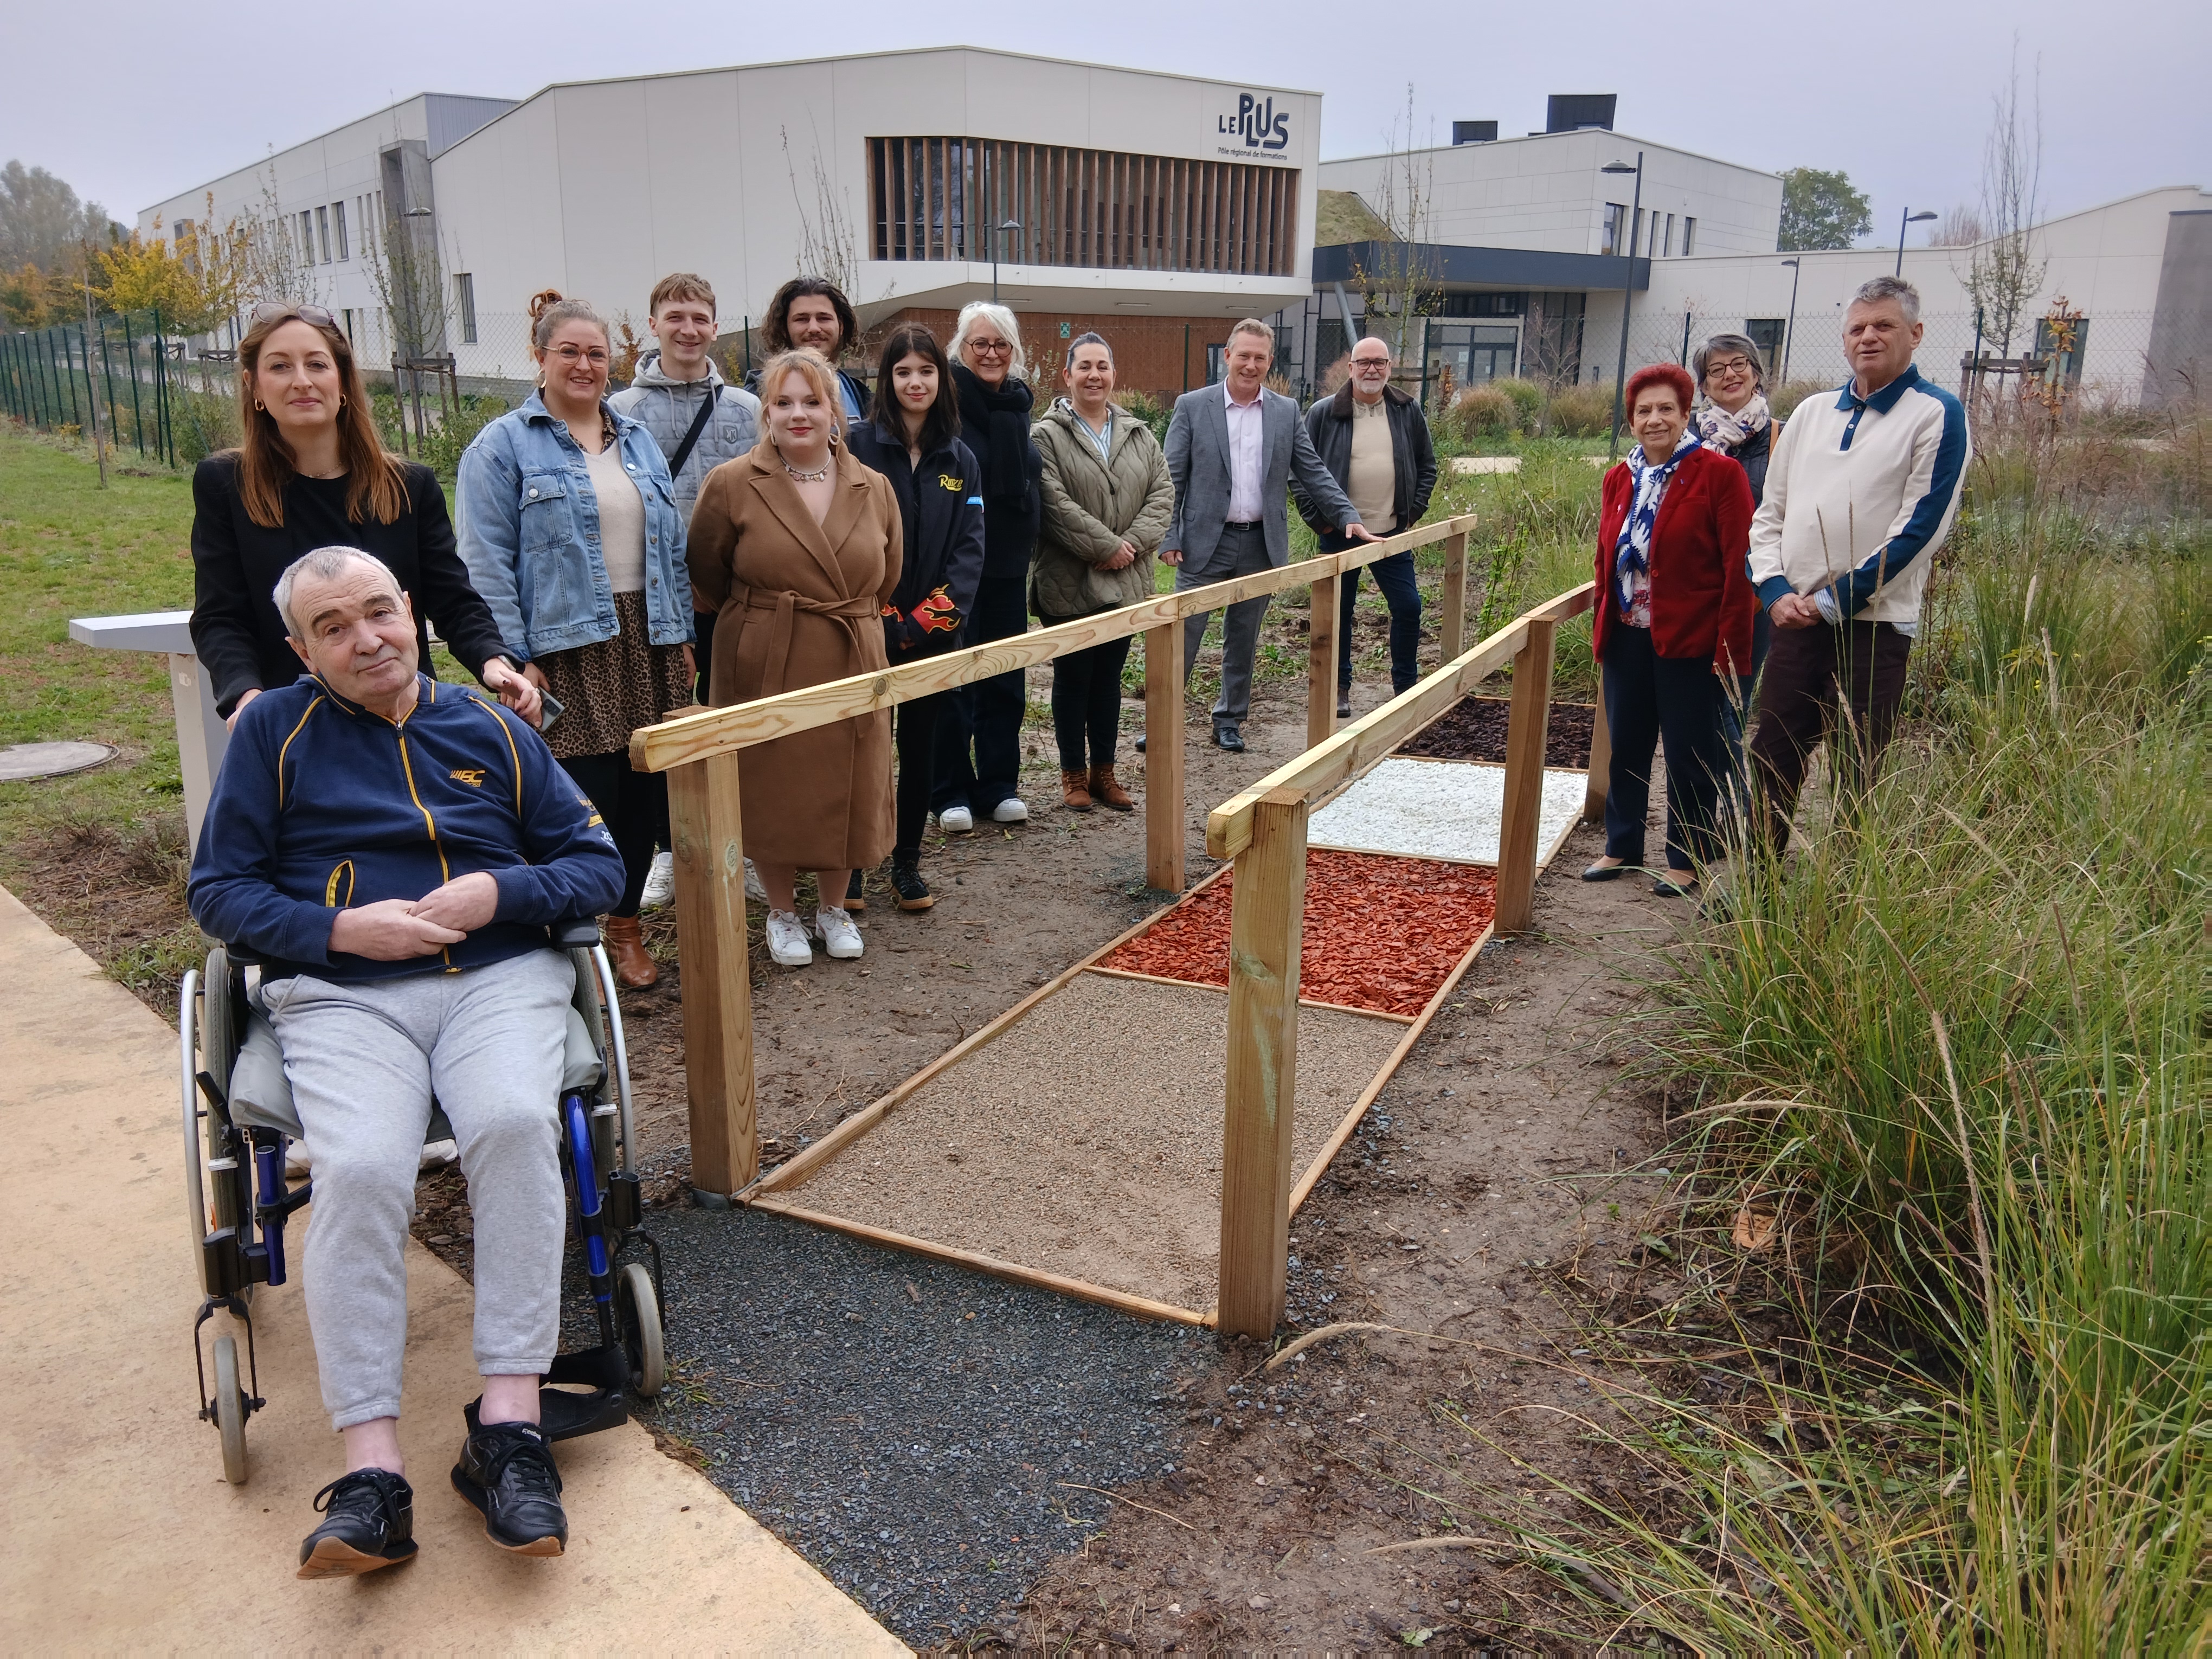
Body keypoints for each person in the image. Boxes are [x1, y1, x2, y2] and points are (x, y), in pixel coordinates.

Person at [187, 546, 625, 1578]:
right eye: (333, 628)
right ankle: (372, 1475)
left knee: (514, 1124)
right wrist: (340, 930)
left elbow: (596, 863)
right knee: (362, 1167)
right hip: (343, 993)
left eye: (379, 612)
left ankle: (510, 1428)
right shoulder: (273, 732)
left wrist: (499, 893)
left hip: (496, 978)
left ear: (412, 612)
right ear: (301, 651)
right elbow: (219, 891)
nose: (367, 640)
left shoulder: (490, 726)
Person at [455, 291, 695, 990]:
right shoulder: (501, 447)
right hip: (565, 650)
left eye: (596, 353)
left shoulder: (636, 439)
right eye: (569, 352)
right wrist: (514, 655)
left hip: (647, 640)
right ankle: (572, 936)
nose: (585, 365)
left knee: (645, 796)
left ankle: (625, 926)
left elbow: (670, 548)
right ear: (540, 357)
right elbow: (484, 562)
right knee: (582, 802)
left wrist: (681, 634)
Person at [190, 302, 539, 731]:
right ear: (254, 386)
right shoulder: (224, 485)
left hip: (400, 716)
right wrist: (247, 697)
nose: (302, 381)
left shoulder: (409, 485)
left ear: (342, 381)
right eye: (280, 366)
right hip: (290, 722)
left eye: (317, 364)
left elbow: (453, 598)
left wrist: (493, 660)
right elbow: (221, 616)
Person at [687, 349, 902, 968]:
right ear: (767, 412)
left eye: (812, 401)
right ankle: (781, 912)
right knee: (770, 779)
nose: (798, 414)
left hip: (851, 648)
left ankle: (833, 908)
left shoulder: (874, 486)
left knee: (849, 778)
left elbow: (888, 575)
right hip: (766, 653)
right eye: (783, 402)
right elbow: (706, 571)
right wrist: (762, 620)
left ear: (835, 411)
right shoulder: (732, 482)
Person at [1745, 276, 1970, 853]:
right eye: (1857, 328)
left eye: (1884, 325)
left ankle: (1848, 892)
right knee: (1772, 758)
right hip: (1794, 621)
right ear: (1844, 339)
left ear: (1915, 334)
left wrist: (1832, 602)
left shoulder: (1936, 414)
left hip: (1872, 629)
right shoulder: (1811, 414)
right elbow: (1770, 514)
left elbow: (1921, 529)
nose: (1868, 337)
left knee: (1858, 773)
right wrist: (1774, 590)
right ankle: (1759, 886)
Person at [608, 272, 761, 910]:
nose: (688, 329)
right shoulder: (621, 411)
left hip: (737, 594)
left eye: (699, 318)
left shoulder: (746, 411)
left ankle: (744, 844)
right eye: (675, 317)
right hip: (655, 597)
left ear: (715, 327)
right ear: (654, 325)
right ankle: (668, 850)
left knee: (738, 713)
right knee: (662, 718)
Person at [1156, 318, 1374, 753]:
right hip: (1202, 543)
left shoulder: (1284, 412)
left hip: (1260, 544)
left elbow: (1313, 470)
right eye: (1244, 356)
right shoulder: (1192, 407)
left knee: (1244, 638)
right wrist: (1169, 535)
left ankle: (1229, 720)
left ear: (1270, 361)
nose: (1250, 365)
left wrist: (1347, 514)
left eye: (1259, 358)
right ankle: (1162, 720)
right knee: (1183, 636)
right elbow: (1170, 478)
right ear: (1227, 356)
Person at [1583, 364, 1759, 898]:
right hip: (1628, 635)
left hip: (1691, 640)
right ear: (1631, 420)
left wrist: (1730, 649)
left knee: (1690, 752)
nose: (1654, 419)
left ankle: (1687, 857)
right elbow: (1605, 559)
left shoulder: (1718, 474)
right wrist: (1602, 623)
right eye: (1643, 411)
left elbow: (1740, 565)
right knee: (1628, 744)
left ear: (1686, 415)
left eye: (1666, 409)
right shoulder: (1620, 478)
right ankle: (1623, 844)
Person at [847, 324, 986, 907]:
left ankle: (906, 862)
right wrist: (880, 618)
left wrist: (920, 624)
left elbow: (970, 552)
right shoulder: (855, 447)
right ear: (887, 379)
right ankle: (854, 864)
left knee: (921, 748)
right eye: (903, 371)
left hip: (931, 636)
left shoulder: (961, 458)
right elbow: (843, 539)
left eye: (926, 371)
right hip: (864, 629)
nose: (915, 382)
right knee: (863, 750)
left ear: (942, 378)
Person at [1030, 332, 1174, 811]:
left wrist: (1128, 547)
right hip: (1069, 579)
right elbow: (1053, 503)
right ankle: (1073, 774)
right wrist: (1106, 546)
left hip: (1124, 579)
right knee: (1074, 679)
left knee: (1109, 681)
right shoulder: (1045, 436)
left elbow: (1162, 493)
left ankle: (1104, 774)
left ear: (1114, 374)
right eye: (1084, 367)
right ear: (1067, 375)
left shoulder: (1138, 433)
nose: (1094, 376)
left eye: (1102, 367)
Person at [931, 301, 1043, 831]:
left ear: (1014, 350)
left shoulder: (1018, 405)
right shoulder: (945, 408)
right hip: (955, 569)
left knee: (1005, 678)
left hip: (1007, 567)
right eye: (981, 343)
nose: (992, 353)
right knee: (954, 681)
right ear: (962, 348)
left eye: (1001, 344)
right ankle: (949, 791)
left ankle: (999, 784)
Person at [1295, 335, 1438, 718]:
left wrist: (1411, 514)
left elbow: (1427, 465)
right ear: (1351, 368)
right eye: (1364, 362)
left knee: (1408, 606)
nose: (1372, 369)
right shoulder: (1324, 413)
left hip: (1389, 533)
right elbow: (1300, 472)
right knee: (1339, 612)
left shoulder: (1407, 410)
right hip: (1339, 533)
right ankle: (1339, 686)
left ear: (1390, 368)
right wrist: (1321, 523)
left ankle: (1405, 685)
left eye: (1379, 362)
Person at [1691, 331, 1780, 684]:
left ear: (1755, 373)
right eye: (1716, 369)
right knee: (1687, 694)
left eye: (1739, 364)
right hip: (1691, 590)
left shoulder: (1784, 438)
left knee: (1734, 695)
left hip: (1753, 593)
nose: (1730, 374)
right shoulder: (1685, 438)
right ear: (1704, 386)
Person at [742, 276, 871, 425]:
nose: (814, 328)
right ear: (784, 329)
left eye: (824, 318)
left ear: (841, 326)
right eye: (802, 319)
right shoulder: (755, 399)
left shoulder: (862, 398)